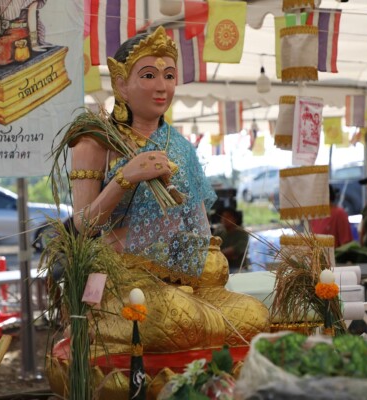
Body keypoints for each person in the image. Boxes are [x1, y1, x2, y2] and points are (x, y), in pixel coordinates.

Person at [60, 27, 269, 356]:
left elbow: (199, 228)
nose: (162, 86)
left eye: (169, 76)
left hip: (182, 275)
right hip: (122, 277)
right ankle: (102, 326)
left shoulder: (181, 148)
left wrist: (205, 257)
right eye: (148, 75)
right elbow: (84, 226)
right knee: (176, 320)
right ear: (121, 84)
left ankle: (196, 320)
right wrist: (125, 178)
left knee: (254, 315)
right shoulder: (95, 141)